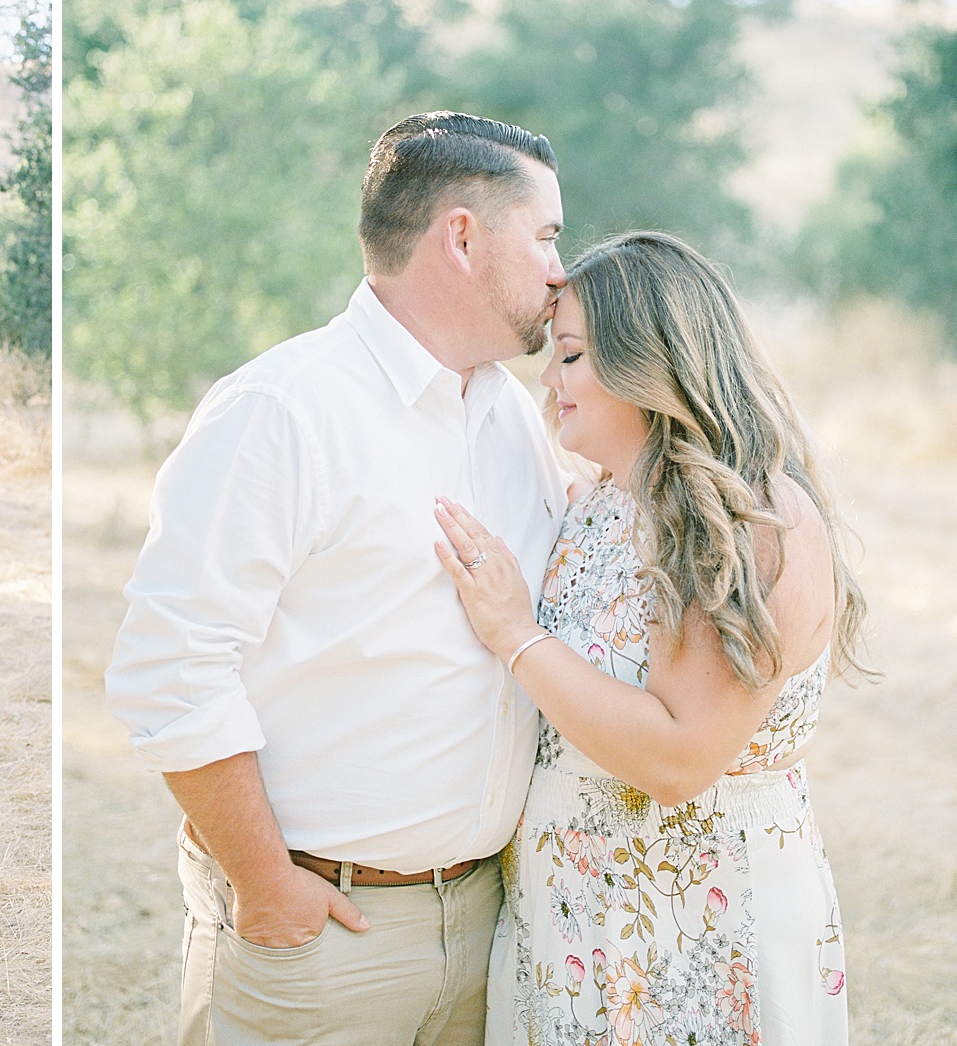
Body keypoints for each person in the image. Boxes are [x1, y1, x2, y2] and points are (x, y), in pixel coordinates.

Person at [105, 112, 572, 1046]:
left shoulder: (515, 417)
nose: (562, 269)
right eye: (549, 234)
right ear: (464, 236)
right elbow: (171, 667)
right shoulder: (281, 410)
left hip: (488, 926)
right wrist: (268, 886)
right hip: (321, 931)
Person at [430, 232, 867, 1045]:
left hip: (696, 933)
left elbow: (679, 756)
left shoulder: (748, 517)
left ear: (647, 361)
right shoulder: (606, 497)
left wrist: (515, 632)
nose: (547, 378)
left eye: (569, 355)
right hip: (577, 927)